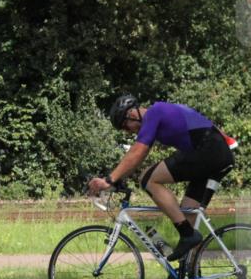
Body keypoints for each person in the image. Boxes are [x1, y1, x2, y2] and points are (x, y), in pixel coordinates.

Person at [88, 94, 236, 263]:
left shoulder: (154, 112)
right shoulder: (158, 118)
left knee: (147, 179)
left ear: (133, 114)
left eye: (126, 126)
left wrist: (109, 179)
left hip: (209, 150)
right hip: (215, 154)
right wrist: (119, 178)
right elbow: (137, 158)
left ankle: (187, 235)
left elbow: (138, 151)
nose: (128, 132)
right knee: (189, 216)